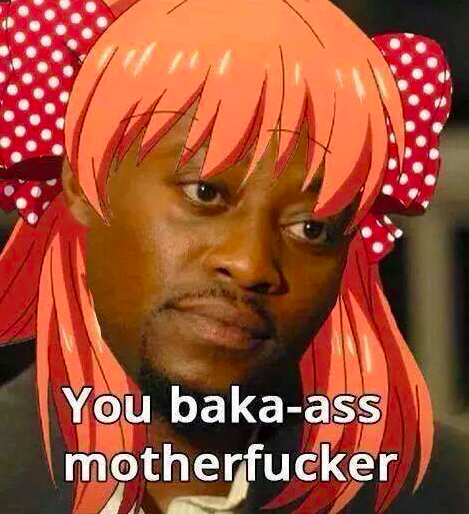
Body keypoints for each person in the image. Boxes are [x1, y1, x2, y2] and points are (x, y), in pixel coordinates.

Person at [0, 0, 466, 513]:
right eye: (204, 193)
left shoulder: (442, 491)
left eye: (311, 228)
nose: (251, 263)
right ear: (82, 181)